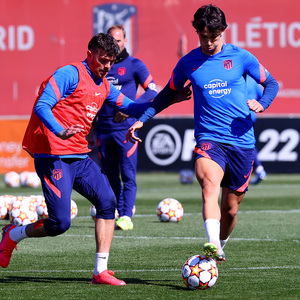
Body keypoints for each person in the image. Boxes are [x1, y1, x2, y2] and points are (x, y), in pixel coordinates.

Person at [0, 33, 160, 286]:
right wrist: (60, 130)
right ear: (90, 54)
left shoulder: (105, 85)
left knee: (108, 203)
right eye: (103, 60)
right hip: (53, 156)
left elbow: (132, 108)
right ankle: (13, 233)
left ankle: (101, 272)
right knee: (60, 223)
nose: (108, 66)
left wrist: (167, 98)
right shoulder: (69, 74)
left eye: (111, 61)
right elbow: (42, 106)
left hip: (79, 156)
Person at [126, 5, 279, 263]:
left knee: (230, 209)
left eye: (214, 37)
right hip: (209, 139)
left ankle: (220, 242)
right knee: (209, 186)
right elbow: (166, 94)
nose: (208, 43)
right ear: (197, 33)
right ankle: (211, 243)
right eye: (203, 37)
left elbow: (272, 84)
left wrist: (263, 103)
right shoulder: (188, 63)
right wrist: (143, 119)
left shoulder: (242, 57)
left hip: (242, 141)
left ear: (223, 32)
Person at [94, 25, 158, 231]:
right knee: (109, 175)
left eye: (119, 40)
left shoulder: (135, 65)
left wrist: (132, 109)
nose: (116, 44)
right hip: (102, 129)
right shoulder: (99, 65)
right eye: (112, 40)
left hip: (126, 130)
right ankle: (114, 212)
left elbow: (153, 91)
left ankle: (126, 216)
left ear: (125, 41)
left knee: (128, 175)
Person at [247, 76, 267, 184]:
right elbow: (261, 96)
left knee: (245, 144)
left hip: (236, 118)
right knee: (248, 143)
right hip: (251, 116)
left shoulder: (235, 79)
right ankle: (259, 169)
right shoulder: (253, 82)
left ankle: (259, 169)